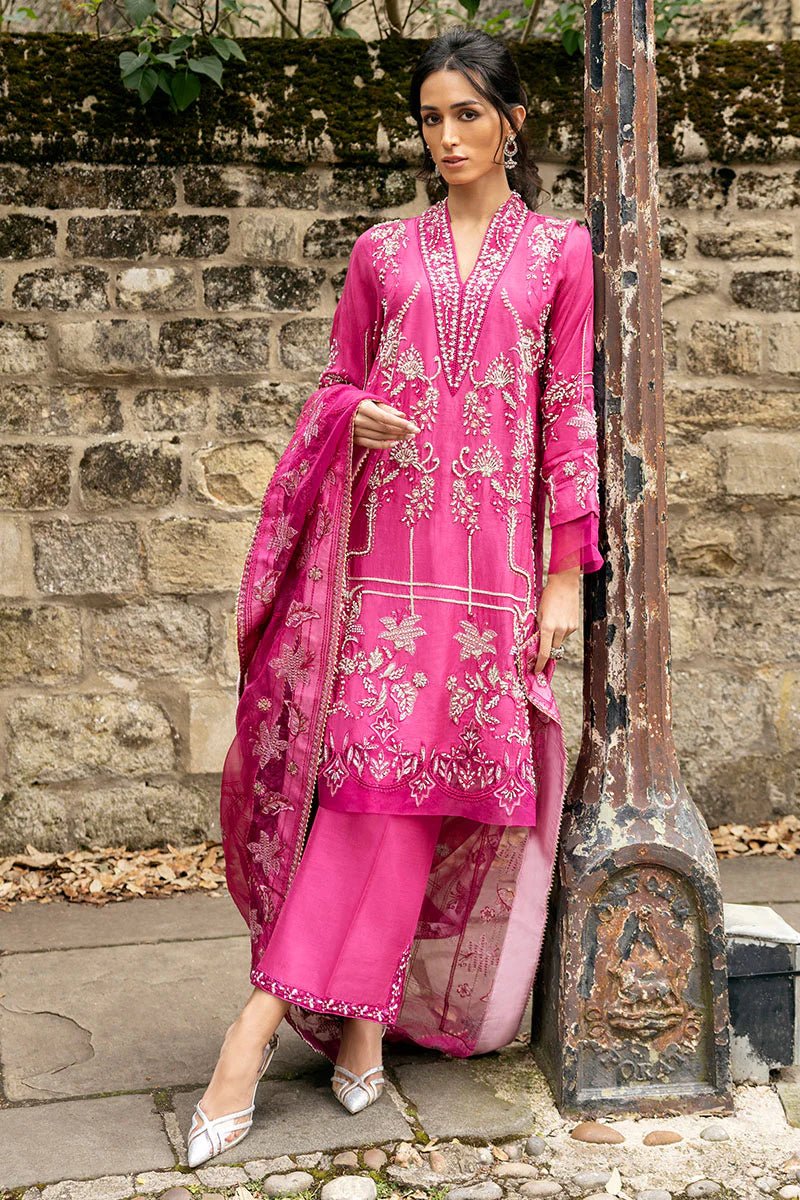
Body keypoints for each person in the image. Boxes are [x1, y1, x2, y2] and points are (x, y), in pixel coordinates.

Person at [186, 25, 604, 1167]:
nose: (448, 136)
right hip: (380, 564)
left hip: (493, 572)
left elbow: (566, 409)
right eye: (430, 118)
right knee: (369, 786)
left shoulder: (561, 253)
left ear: (512, 123)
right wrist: (349, 415)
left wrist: (565, 572)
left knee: (416, 798)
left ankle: (349, 1030)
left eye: (468, 114)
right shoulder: (378, 252)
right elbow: (335, 383)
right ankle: (265, 1027)